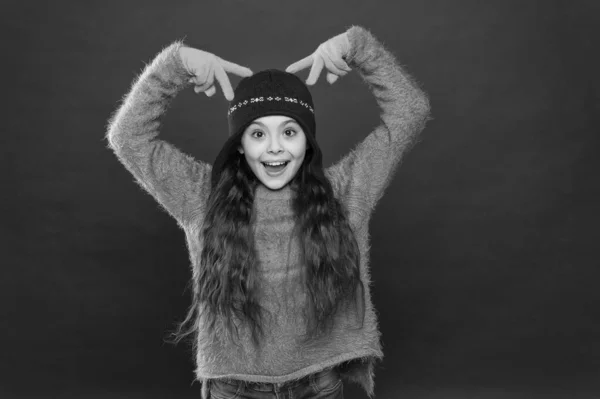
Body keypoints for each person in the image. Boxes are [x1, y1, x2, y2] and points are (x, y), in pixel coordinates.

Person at [106, 25, 430, 399]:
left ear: (307, 141)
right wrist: (176, 65)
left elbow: (410, 111)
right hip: (234, 388)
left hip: (318, 385)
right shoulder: (201, 196)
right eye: (258, 134)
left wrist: (357, 47)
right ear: (239, 145)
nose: (275, 149)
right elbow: (127, 136)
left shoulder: (345, 192)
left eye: (289, 132)